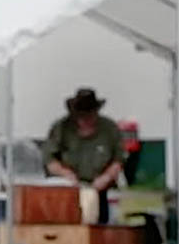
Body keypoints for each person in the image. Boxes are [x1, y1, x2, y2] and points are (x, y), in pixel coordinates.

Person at [43, 88, 124, 223]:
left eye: (89, 116)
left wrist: (106, 177)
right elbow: (49, 159)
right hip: (67, 192)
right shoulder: (61, 128)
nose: (85, 120)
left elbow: (118, 159)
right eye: (81, 116)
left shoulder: (109, 129)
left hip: (101, 192)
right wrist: (65, 174)